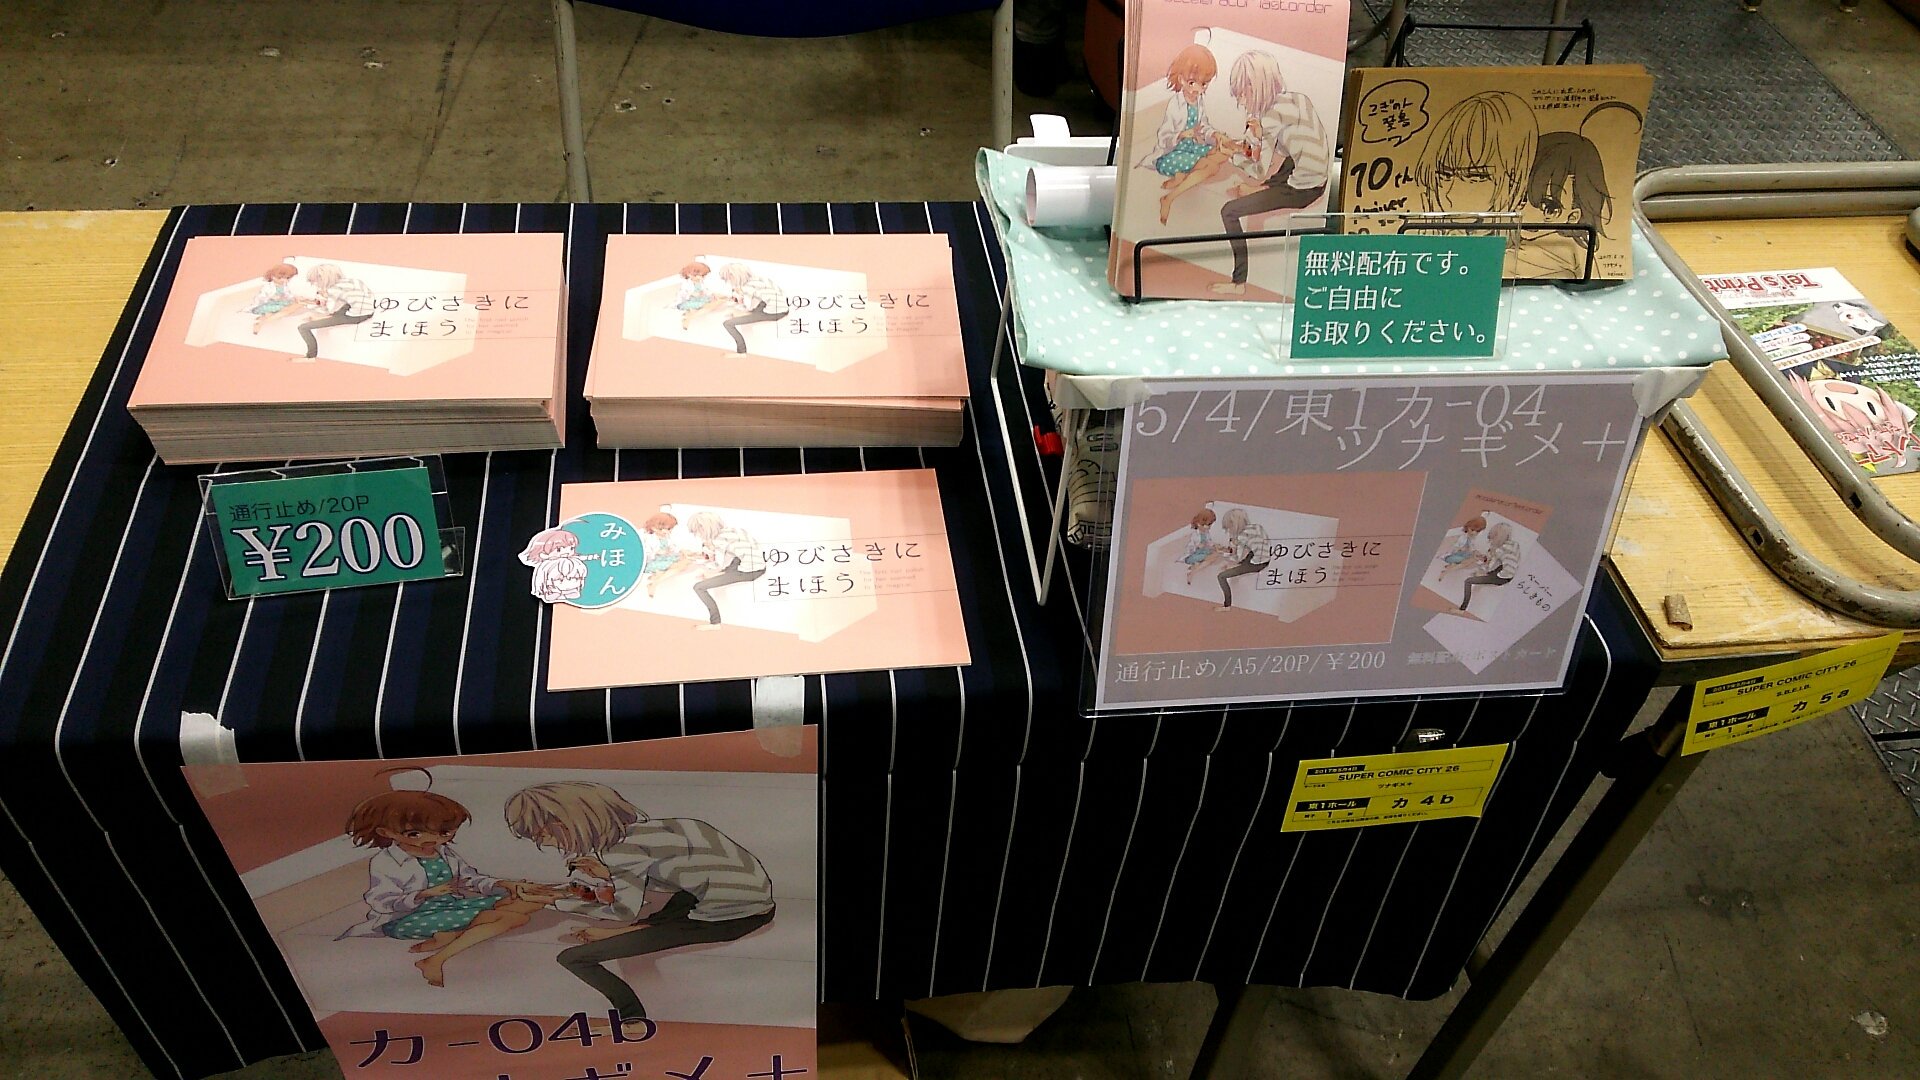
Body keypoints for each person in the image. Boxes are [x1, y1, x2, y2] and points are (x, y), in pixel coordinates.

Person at [504, 781, 776, 1024]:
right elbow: (676, 874)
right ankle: (629, 933)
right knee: (667, 906)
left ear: (565, 823)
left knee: (574, 959)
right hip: (746, 900)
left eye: (541, 836)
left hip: (731, 919)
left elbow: (623, 911)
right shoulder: (664, 827)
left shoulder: (620, 851)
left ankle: (632, 1017)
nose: (545, 844)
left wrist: (553, 902)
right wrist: (608, 875)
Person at [337, 784, 557, 987]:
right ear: (385, 832)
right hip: (406, 919)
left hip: (450, 907)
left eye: (444, 833)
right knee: (513, 918)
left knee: (528, 900)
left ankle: (451, 936)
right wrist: (423, 894)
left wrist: (503, 884)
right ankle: (435, 960)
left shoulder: (443, 852)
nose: (432, 839)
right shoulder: (386, 862)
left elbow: (469, 879)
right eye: (415, 834)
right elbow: (381, 901)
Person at [1209, 51, 1332, 295]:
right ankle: (1261, 190)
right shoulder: (1296, 99)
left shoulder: (1269, 117)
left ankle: (1238, 283)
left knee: (1229, 211)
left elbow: (1258, 169)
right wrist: (1249, 142)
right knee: (1288, 161)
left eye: (1243, 93)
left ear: (1256, 87)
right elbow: (1283, 149)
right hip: (1316, 173)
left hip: (1304, 189)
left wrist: (1231, 155)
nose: (1241, 101)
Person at [1141, 44, 1245, 225]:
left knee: (1223, 153)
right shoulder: (1175, 104)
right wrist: (1182, 135)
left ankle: (1181, 177)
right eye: (1192, 82)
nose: (1198, 88)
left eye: (1203, 84)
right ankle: (1169, 198)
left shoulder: (1198, 101)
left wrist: (1216, 135)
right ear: (1181, 79)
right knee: (1211, 167)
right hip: (1171, 154)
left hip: (1192, 147)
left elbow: (1203, 127)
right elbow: (1164, 137)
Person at [1516, 131, 1612, 279]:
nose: (1526, 212)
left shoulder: (1565, 253)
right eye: (1521, 198)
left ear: (1573, 216)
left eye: (1550, 209)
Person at [685, 510, 766, 628]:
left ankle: (715, 623)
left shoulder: (719, 540)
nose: (698, 535)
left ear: (703, 529)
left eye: (697, 532)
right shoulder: (733, 530)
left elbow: (720, 564)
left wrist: (708, 570)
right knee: (721, 569)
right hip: (758, 565)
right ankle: (715, 576)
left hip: (749, 572)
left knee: (699, 587)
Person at [293, 262, 378, 362]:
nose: (315, 285)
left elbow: (328, 309)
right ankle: (323, 318)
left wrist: (307, 305)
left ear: (322, 279)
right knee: (334, 311)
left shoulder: (334, 289)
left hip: (356, 316)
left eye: (315, 282)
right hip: (368, 310)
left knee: (303, 328)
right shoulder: (354, 281)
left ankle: (310, 357)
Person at [717, 263, 788, 355]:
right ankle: (751, 340)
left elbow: (749, 307)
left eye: (728, 279)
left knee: (728, 323)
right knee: (740, 316)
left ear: (733, 276)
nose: (728, 282)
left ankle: (741, 352)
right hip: (782, 307)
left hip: (774, 313)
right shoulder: (760, 278)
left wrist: (737, 303)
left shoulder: (747, 287)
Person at [1212, 507, 1271, 610]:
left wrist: (1224, 553)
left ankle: (1227, 606)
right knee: (1233, 565)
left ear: (1233, 525)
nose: (1229, 531)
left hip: (1257, 563)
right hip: (1265, 557)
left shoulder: (1242, 536)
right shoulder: (1257, 527)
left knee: (1221, 576)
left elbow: (1237, 558)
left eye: (1229, 528)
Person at [1459, 521, 1523, 611]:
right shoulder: (1513, 545)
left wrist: (1495, 574)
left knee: (1468, 581)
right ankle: (1474, 597)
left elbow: (1507, 569)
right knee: (1477, 575)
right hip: (1501, 573)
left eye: (1493, 536)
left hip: (1502, 577)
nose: (1491, 540)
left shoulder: (1502, 549)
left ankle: (1462, 609)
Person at [518, 527, 589, 604]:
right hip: (552, 590)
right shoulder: (547, 566)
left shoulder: (575, 563)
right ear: (543, 553)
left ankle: (570, 589)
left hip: (571, 589)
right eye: (559, 549)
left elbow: (581, 574)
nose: (566, 552)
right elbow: (541, 578)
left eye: (571, 548)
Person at [247, 263, 308, 333]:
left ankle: (262, 320)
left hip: (281, 302)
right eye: (280, 278)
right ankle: (261, 322)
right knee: (285, 310)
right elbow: (260, 297)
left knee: (296, 305)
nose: (284, 280)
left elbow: (287, 294)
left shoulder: (284, 285)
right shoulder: (268, 286)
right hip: (268, 304)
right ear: (273, 276)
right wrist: (271, 297)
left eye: (288, 278)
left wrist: (295, 297)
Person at [674, 261, 719, 328]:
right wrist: (692, 294)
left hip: (699, 299)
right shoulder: (687, 284)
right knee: (704, 306)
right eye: (702, 276)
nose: (703, 278)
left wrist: (711, 294)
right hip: (688, 301)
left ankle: (688, 314)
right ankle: (688, 318)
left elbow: (705, 290)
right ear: (691, 275)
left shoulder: (700, 282)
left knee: (712, 301)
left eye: (704, 276)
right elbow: (682, 294)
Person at [1181, 507, 1217, 584]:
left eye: (1210, 525)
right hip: (1193, 555)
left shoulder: (1206, 533)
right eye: (1208, 525)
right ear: (1200, 523)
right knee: (1211, 558)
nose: (1209, 527)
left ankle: (1194, 568)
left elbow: (1209, 542)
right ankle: (1192, 573)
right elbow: (1189, 547)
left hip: (1203, 552)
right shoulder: (1195, 534)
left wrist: (1213, 546)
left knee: (1215, 555)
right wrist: (1197, 546)